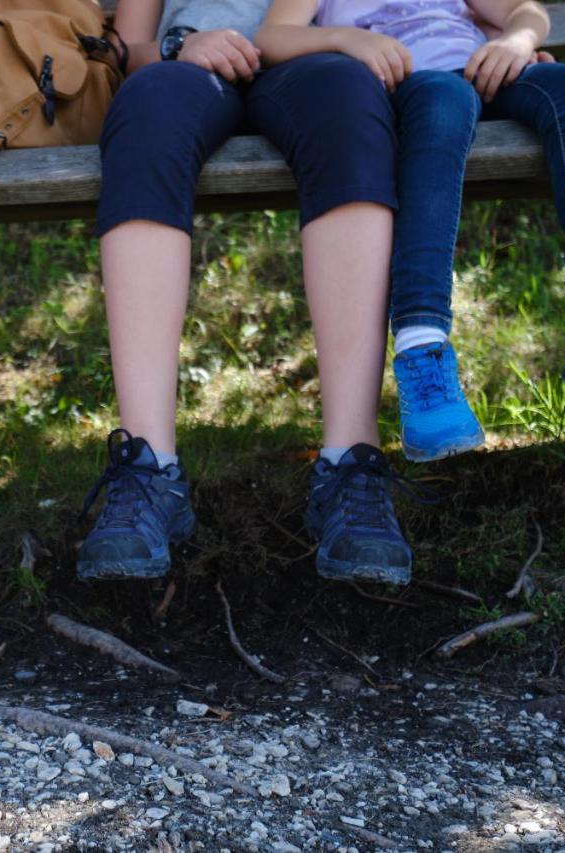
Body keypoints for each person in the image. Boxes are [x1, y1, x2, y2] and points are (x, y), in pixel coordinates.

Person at [258, 0, 565, 463]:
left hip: (481, 73)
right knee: (444, 98)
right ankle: (421, 348)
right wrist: (346, 39)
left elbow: (524, 10)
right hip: (406, 92)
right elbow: (272, 37)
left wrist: (516, 40)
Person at [78, 0, 416, 585]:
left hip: (307, 65)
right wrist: (177, 47)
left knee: (348, 100)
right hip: (188, 71)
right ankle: (147, 469)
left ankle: (351, 466)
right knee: (147, 105)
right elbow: (127, 47)